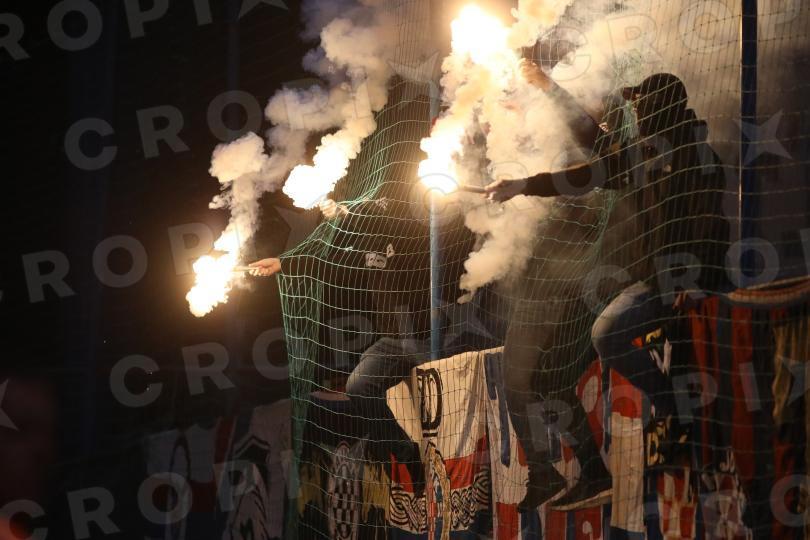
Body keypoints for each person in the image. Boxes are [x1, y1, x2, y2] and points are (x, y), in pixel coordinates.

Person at [486, 71, 730, 510]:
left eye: (640, 103)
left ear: (658, 106)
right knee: (560, 367)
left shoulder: (696, 156)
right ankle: (604, 463)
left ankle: (676, 417)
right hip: (647, 281)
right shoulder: (639, 153)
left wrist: (689, 279)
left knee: (609, 333)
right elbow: (587, 172)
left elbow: (709, 222)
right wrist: (524, 185)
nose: (634, 110)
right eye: (631, 104)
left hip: (685, 282)